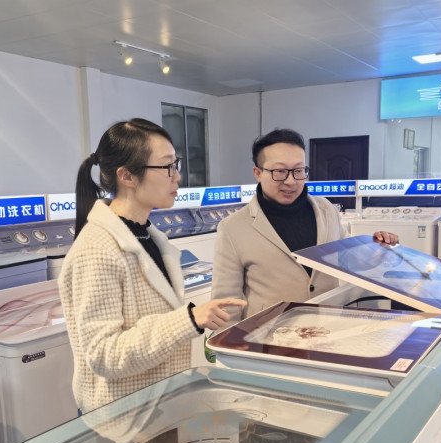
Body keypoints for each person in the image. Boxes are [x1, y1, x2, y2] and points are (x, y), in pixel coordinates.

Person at [59, 118, 245, 413]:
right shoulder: (97, 249)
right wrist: (189, 320)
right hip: (123, 418)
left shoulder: (148, 236)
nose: (177, 177)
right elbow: (104, 354)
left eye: (176, 164)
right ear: (127, 176)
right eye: (167, 166)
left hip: (157, 406)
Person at [212, 128, 397, 324]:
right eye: (280, 172)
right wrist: (228, 341)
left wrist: (377, 246)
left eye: (299, 171)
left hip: (329, 327)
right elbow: (225, 303)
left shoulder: (326, 209)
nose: (291, 181)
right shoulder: (233, 228)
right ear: (258, 173)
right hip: (270, 335)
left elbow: (349, 257)